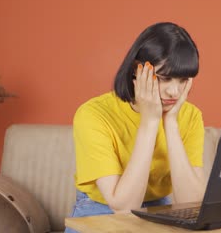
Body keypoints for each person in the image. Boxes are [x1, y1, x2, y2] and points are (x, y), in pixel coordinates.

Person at [65, 22, 205, 232]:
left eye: (183, 80)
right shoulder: (93, 114)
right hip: (100, 209)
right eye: (164, 78)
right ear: (136, 71)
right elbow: (124, 207)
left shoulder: (190, 116)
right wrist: (150, 121)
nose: (174, 92)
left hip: (160, 209)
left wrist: (171, 123)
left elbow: (191, 203)